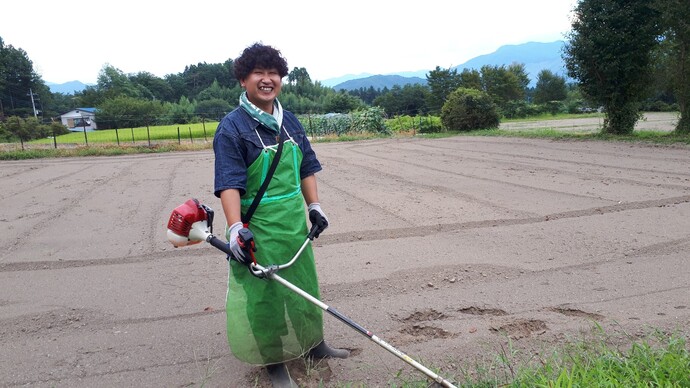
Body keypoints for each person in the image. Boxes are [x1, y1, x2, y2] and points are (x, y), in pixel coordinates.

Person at [213, 43, 349, 387]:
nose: (267, 79)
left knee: (305, 285)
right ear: (243, 79)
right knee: (265, 296)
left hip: (293, 223)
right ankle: (272, 361)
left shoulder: (288, 120)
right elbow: (229, 184)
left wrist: (314, 206)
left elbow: (306, 165)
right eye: (258, 72)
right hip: (258, 227)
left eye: (273, 73)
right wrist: (234, 229)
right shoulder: (232, 128)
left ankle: (314, 346)